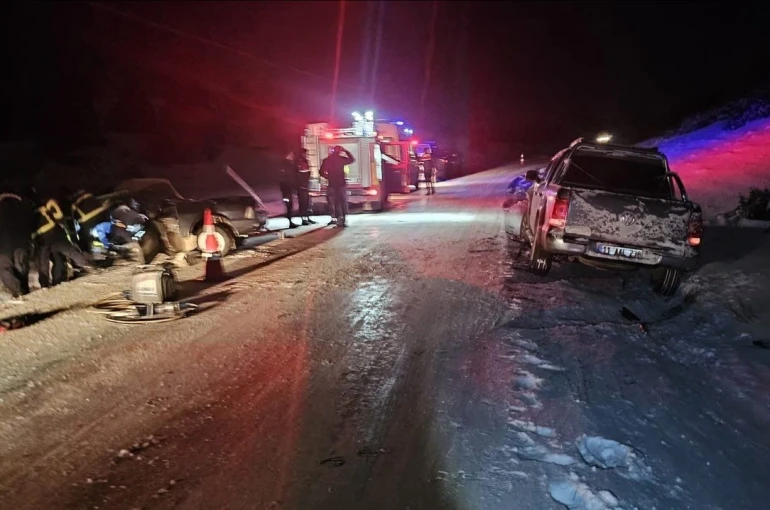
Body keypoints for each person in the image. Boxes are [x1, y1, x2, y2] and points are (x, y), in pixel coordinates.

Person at [31, 193, 91, 288]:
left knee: (44, 261)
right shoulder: (45, 206)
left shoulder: (27, 212)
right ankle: (87, 265)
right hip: (54, 232)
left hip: (41, 238)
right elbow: (58, 215)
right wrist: (60, 224)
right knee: (68, 252)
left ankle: (45, 284)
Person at [0, 192, 35, 298]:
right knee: (21, 268)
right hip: (22, 243)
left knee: (4, 269)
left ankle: (19, 292)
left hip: (4, 246)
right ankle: (25, 292)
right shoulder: (23, 209)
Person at [320, 145, 355, 227]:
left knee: (333, 202)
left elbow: (321, 171)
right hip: (341, 184)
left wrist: (327, 177)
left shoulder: (327, 160)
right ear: (339, 151)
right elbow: (352, 160)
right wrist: (346, 151)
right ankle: (343, 219)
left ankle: (335, 218)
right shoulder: (341, 159)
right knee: (342, 202)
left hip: (331, 184)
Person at [295, 148, 315, 226]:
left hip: (306, 186)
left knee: (307, 203)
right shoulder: (299, 162)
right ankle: (303, 219)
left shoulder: (305, 161)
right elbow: (300, 175)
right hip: (302, 187)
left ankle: (307, 217)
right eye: (305, 153)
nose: (306, 155)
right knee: (303, 204)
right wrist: (301, 185)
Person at [280, 152, 299, 229]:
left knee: (289, 205)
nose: (292, 156)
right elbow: (287, 177)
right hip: (286, 187)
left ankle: (289, 220)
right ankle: (289, 220)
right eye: (291, 155)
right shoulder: (286, 165)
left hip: (287, 187)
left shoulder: (288, 164)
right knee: (289, 204)